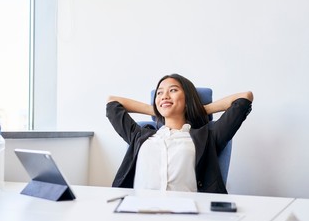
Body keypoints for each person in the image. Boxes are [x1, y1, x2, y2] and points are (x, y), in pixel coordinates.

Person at [106, 73, 253, 194]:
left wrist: (200, 109)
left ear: (188, 99)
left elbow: (244, 98)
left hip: (187, 214)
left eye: (173, 90)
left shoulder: (208, 136)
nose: (164, 96)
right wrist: (157, 110)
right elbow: (112, 102)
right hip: (139, 212)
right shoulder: (140, 135)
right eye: (159, 93)